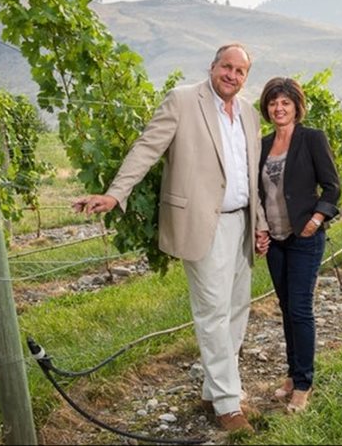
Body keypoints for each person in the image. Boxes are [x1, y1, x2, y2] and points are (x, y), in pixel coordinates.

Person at [73, 43, 269, 435]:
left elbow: (252, 176)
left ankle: (215, 391)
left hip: (241, 224)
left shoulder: (248, 114)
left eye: (240, 71)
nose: (232, 75)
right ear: (212, 67)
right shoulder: (182, 101)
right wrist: (116, 193)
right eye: (226, 67)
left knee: (235, 310)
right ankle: (229, 405)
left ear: (246, 77)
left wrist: (260, 222)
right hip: (201, 223)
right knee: (212, 311)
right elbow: (147, 148)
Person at [257, 77, 340, 414]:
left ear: (296, 107)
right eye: (273, 103)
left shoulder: (311, 139)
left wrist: (317, 219)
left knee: (300, 309)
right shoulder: (261, 144)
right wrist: (260, 228)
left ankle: (304, 384)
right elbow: (259, 193)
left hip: (304, 236)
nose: (279, 108)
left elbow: (332, 187)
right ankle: (293, 374)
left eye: (285, 103)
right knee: (286, 305)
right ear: (267, 108)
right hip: (276, 239)